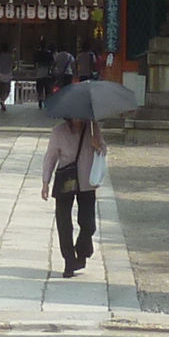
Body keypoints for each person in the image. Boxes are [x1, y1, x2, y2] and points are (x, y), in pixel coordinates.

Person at [40, 116, 105, 276]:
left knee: (88, 223)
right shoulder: (59, 131)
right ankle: (69, 261)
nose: (78, 118)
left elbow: (103, 149)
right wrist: (45, 182)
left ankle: (82, 252)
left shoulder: (92, 127)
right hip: (66, 180)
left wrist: (98, 146)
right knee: (64, 223)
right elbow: (51, 156)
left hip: (87, 181)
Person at [0, 46, 16, 111]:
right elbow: (13, 65)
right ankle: (3, 100)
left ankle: (2, 100)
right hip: (8, 73)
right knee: (8, 90)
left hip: (1, 73)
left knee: (2, 89)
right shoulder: (11, 56)